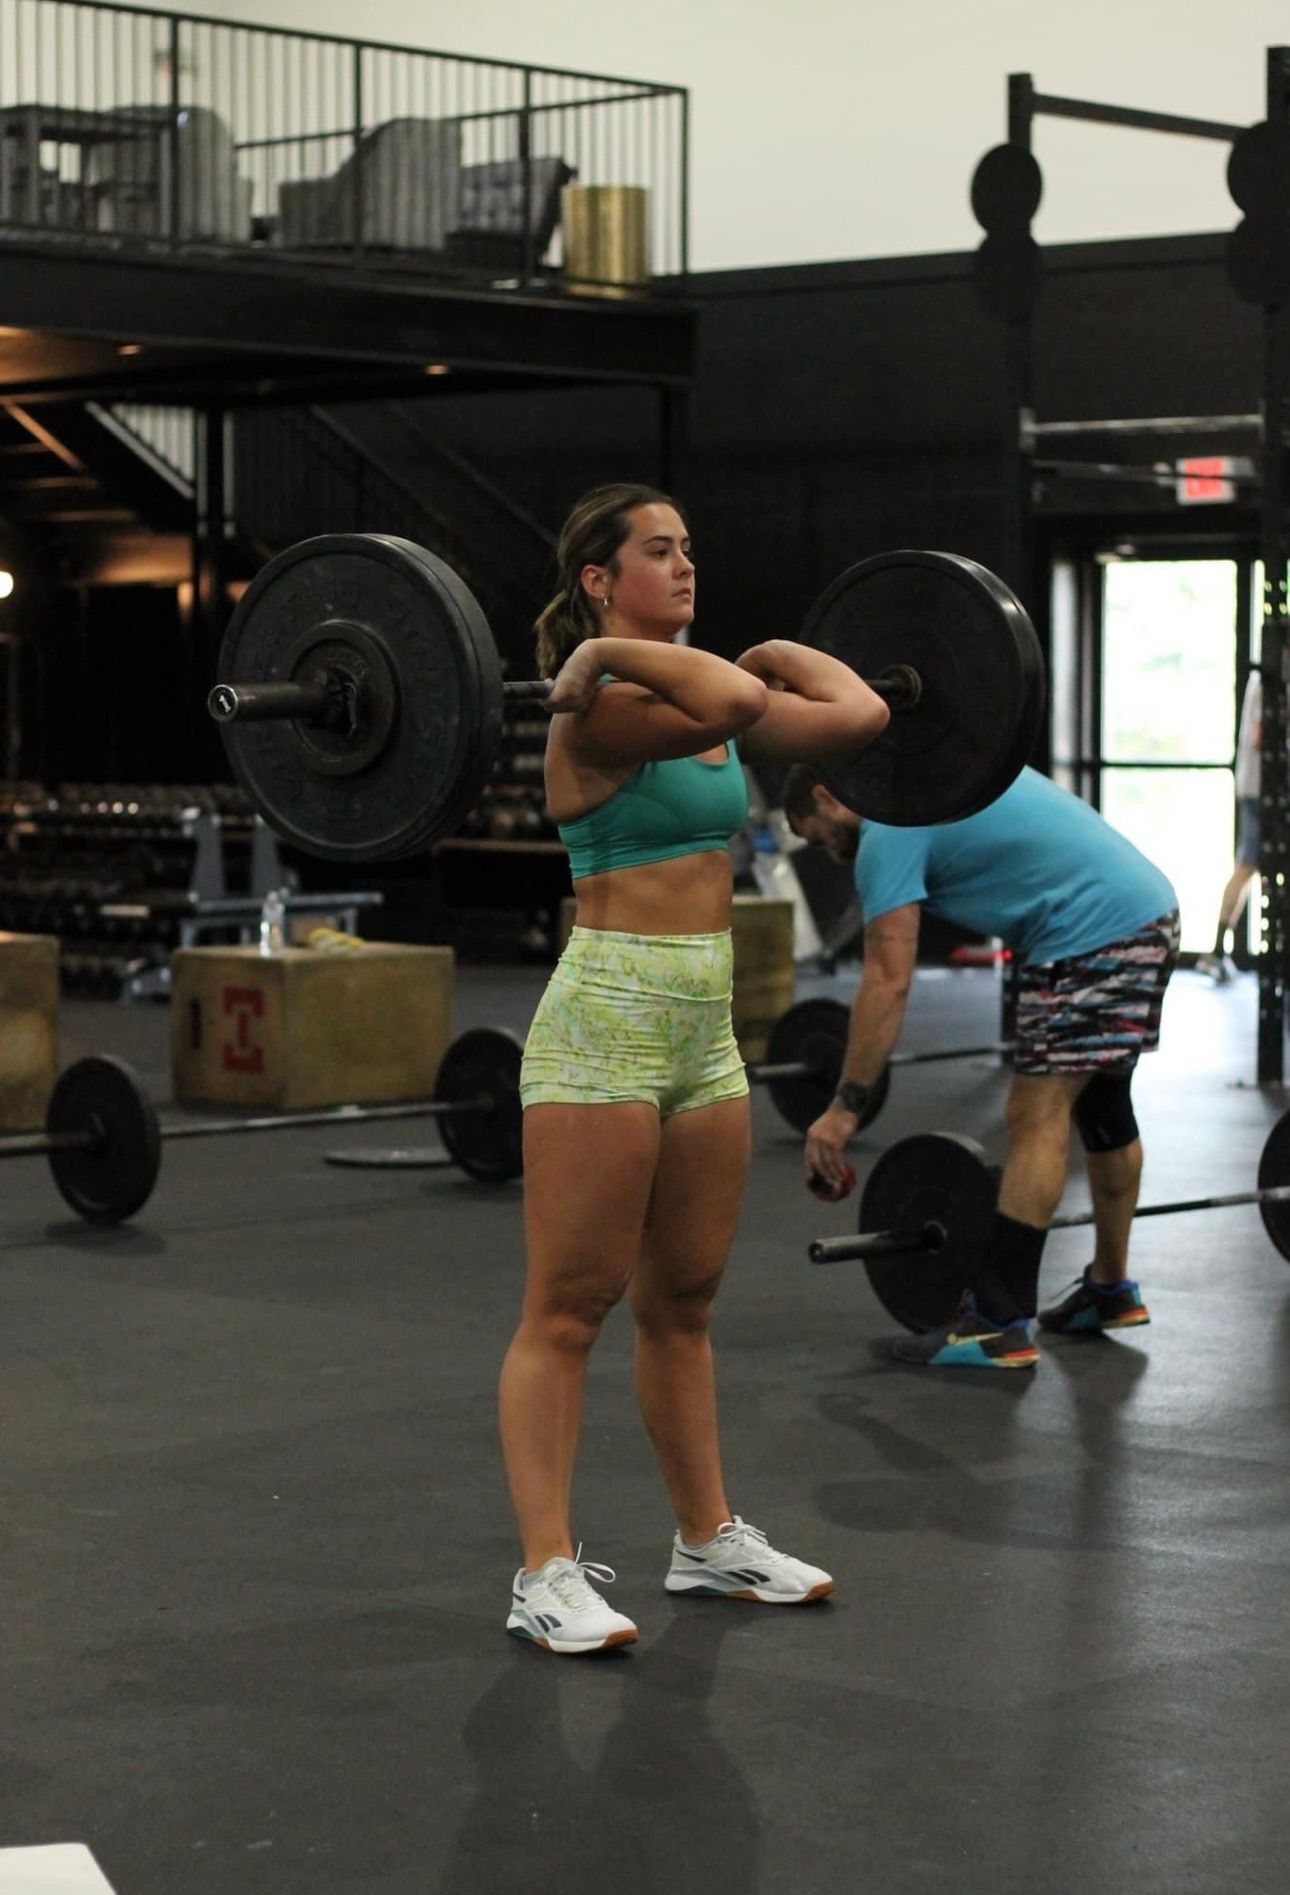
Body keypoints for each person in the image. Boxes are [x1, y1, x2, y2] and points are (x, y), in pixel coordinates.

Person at [499, 483, 890, 1654]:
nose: (685, 565)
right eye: (658, 551)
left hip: (703, 1025)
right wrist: (607, 656)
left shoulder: (681, 695)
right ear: (598, 579)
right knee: (570, 1306)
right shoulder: (603, 709)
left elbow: (859, 712)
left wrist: (768, 651)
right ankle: (544, 1572)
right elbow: (729, 696)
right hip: (606, 1016)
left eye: (689, 549)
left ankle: (706, 1537)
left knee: (684, 1303)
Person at [782, 764, 1180, 1370]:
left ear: (826, 798)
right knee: (1103, 1102)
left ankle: (998, 1321)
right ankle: (1110, 1288)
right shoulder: (936, 781)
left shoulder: (889, 827)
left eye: (818, 836)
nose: (830, 853)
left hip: (1090, 932)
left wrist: (844, 1107)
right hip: (1148, 910)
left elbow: (887, 981)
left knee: (1035, 1114)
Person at [1197, 670, 1262, 983]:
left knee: (1246, 868)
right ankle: (1215, 951)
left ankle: (1217, 951)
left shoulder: (1262, 679)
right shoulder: (1266, 681)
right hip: (1260, 789)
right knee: (1246, 866)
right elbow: (1260, 736)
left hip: (1255, 787)